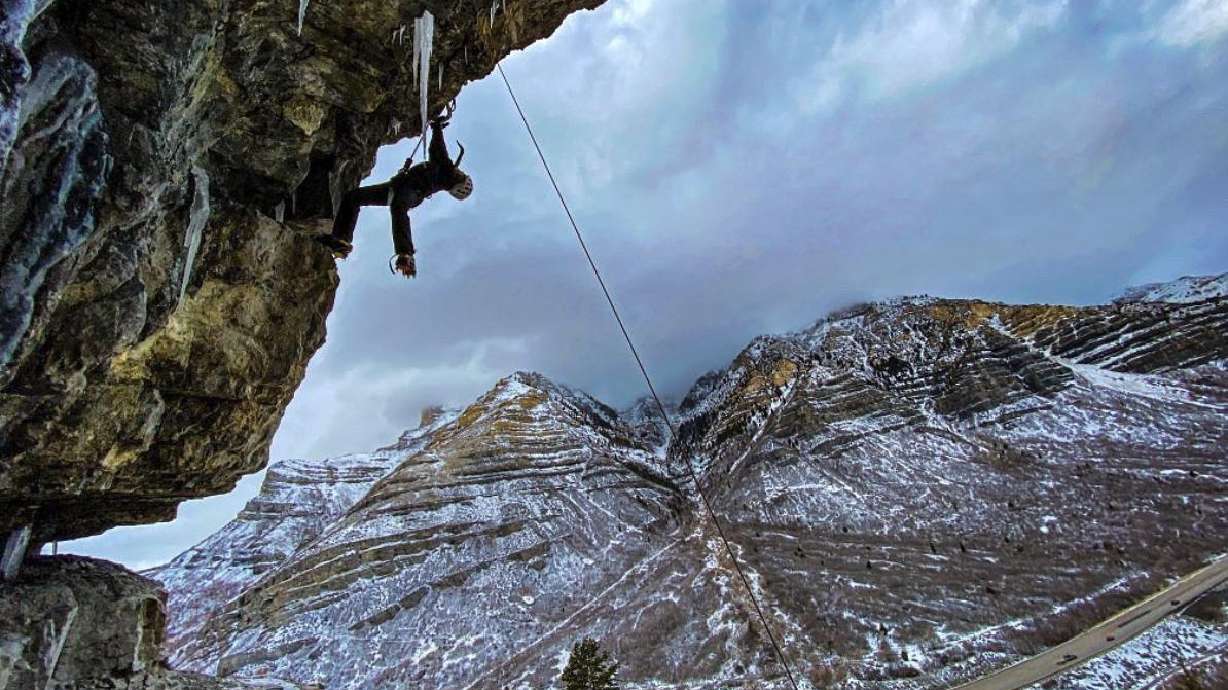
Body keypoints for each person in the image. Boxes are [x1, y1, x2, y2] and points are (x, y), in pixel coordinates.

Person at [318, 110, 473, 278]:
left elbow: (438, 149)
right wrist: (437, 128)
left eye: (462, 175)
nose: (460, 172)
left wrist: (437, 128)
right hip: (400, 189)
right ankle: (342, 242)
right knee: (353, 198)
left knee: (398, 209)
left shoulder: (446, 171)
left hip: (408, 191)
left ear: (458, 181)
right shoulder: (444, 174)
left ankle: (405, 253)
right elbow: (437, 150)